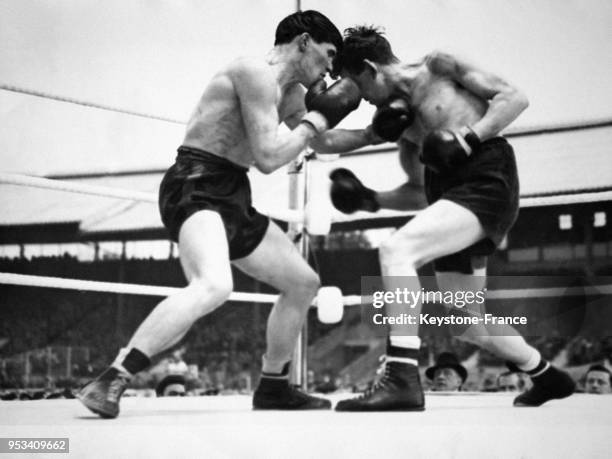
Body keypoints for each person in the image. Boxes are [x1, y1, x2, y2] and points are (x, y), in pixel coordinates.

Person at [77, 10, 371, 418]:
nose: (328, 69)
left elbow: (322, 139)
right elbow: (270, 156)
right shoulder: (253, 72)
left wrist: (375, 134)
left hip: (232, 191)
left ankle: (273, 386)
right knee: (214, 284)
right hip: (196, 182)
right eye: (327, 54)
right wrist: (316, 118)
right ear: (303, 42)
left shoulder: (288, 95)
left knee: (303, 283)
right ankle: (111, 377)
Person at [327, 26, 575, 411]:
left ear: (369, 68)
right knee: (465, 320)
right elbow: (417, 192)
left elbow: (514, 98)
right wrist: (369, 199)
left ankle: (401, 377)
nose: (359, 99)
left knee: (397, 250)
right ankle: (547, 376)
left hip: (488, 179)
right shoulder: (401, 124)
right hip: (451, 195)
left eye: (355, 86)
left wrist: (467, 138)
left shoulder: (438, 67)